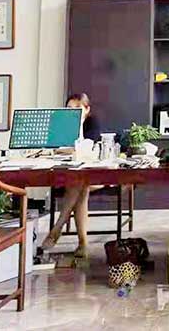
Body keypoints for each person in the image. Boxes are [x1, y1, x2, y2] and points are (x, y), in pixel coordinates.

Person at [40, 93, 101, 258]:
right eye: (69, 108)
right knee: (81, 187)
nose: (73, 111)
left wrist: (73, 142)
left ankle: (56, 229)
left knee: (80, 184)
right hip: (74, 176)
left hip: (97, 176)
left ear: (87, 109)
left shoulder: (92, 122)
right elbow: (55, 147)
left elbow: (87, 146)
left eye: (77, 108)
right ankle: (82, 243)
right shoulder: (62, 124)